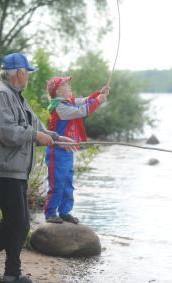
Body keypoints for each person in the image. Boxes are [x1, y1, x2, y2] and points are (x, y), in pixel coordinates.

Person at [0, 53, 74, 283]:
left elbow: (36, 126)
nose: (28, 76)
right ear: (19, 73)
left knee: (19, 222)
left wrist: (58, 138)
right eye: (27, 72)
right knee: (15, 221)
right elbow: (7, 132)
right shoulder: (1, 96)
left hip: (15, 169)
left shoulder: (17, 96)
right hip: (2, 169)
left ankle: (11, 273)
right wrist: (36, 135)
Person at [44, 76, 110, 224]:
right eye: (67, 85)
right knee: (57, 184)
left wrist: (99, 93)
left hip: (68, 152)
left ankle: (65, 211)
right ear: (59, 91)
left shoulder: (69, 101)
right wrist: (98, 101)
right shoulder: (59, 107)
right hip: (57, 152)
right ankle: (50, 214)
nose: (70, 87)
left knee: (68, 183)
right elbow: (82, 111)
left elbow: (86, 100)